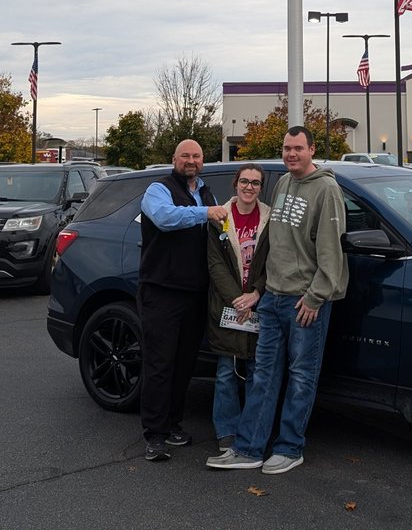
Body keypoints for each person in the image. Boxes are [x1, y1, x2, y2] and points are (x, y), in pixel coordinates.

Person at [206, 125, 348, 475]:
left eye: (298, 148)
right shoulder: (283, 183)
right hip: (272, 298)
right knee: (264, 376)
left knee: (301, 376)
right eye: (286, 148)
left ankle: (289, 447)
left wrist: (316, 297)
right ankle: (249, 448)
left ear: (312, 150)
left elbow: (332, 251)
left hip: (304, 301)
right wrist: (261, 291)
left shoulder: (327, 189)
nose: (291, 154)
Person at [138, 139, 228, 462]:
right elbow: (165, 218)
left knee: (184, 364)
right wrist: (206, 213)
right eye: (185, 156)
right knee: (159, 364)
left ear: (203, 161)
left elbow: (221, 231)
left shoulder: (206, 192)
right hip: (161, 291)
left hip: (195, 293)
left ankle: (173, 424)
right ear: (174, 158)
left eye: (197, 156)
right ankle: (155, 435)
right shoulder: (157, 190)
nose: (191, 161)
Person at [207, 164, 270, 451]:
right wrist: (237, 298)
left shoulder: (270, 219)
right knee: (225, 372)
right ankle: (226, 432)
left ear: (261, 187)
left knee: (258, 372)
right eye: (244, 181)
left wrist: (256, 292)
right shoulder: (220, 217)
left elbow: (275, 260)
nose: (249, 187)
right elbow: (215, 264)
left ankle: (251, 432)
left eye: (255, 183)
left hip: (259, 305)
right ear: (235, 184)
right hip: (227, 305)